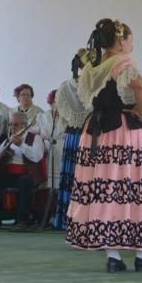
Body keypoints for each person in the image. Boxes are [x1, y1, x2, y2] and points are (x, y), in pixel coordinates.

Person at [66, 18, 142, 272]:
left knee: (105, 188)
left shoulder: (93, 66)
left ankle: (113, 256)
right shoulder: (122, 62)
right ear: (122, 40)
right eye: (131, 39)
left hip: (97, 132)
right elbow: (140, 87)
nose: (132, 44)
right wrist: (141, 110)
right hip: (122, 132)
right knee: (136, 186)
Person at [0, 111, 46, 231]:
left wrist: (21, 145)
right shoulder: (8, 140)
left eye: (15, 124)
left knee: (25, 182)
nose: (12, 127)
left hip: (27, 174)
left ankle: (23, 220)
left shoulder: (35, 138)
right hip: (8, 175)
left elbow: (37, 157)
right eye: (10, 124)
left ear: (24, 125)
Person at [51, 51, 89, 230]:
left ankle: (67, 219)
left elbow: (64, 116)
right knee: (85, 178)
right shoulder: (91, 86)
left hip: (73, 136)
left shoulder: (64, 87)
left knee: (72, 177)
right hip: (89, 135)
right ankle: (84, 220)